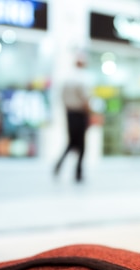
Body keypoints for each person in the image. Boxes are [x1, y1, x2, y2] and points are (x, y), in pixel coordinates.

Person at [54, 55, 92, 183]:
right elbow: (85, 99)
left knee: (71, 142)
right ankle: (78, 173)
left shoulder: (68, 78)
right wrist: (90, 113)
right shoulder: (81, 78)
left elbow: (62, 97)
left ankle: (59, 165)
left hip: (69, 113)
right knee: (81, 145)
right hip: (79, 114)